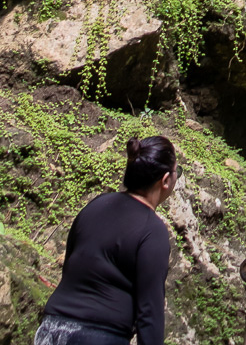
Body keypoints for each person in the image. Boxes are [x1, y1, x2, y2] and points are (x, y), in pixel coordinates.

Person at [37, 135, 177, 345]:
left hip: (50, 330)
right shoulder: (152, 230)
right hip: (98, 336)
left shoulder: (96, 205)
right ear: (165, 180)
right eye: (178, 173)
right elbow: (149, 314)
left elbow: (70, 267)